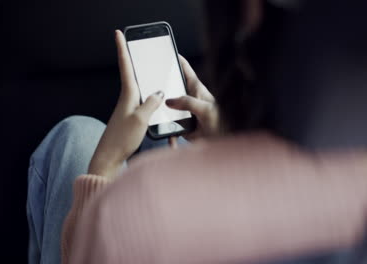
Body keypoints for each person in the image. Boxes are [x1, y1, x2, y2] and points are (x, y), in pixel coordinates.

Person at [27, 1, 367, 263]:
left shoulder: (135, 210)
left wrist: (106, 163)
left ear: (250, 10)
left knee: (78, 134)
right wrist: (234, 138)